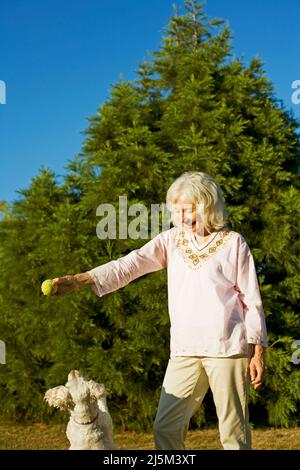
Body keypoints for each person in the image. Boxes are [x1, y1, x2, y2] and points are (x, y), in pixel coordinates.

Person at [52, 171, 268, 450]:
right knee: (165, 427)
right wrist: (82, 279)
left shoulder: (233, 243)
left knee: (233, 433)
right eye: (175, 211)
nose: (179, 218)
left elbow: (252, 299)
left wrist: (258, 350)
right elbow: (129, 264)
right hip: (184, 350)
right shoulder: (171, 240)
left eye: (186, 211)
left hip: (227, 348)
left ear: (207, 205)